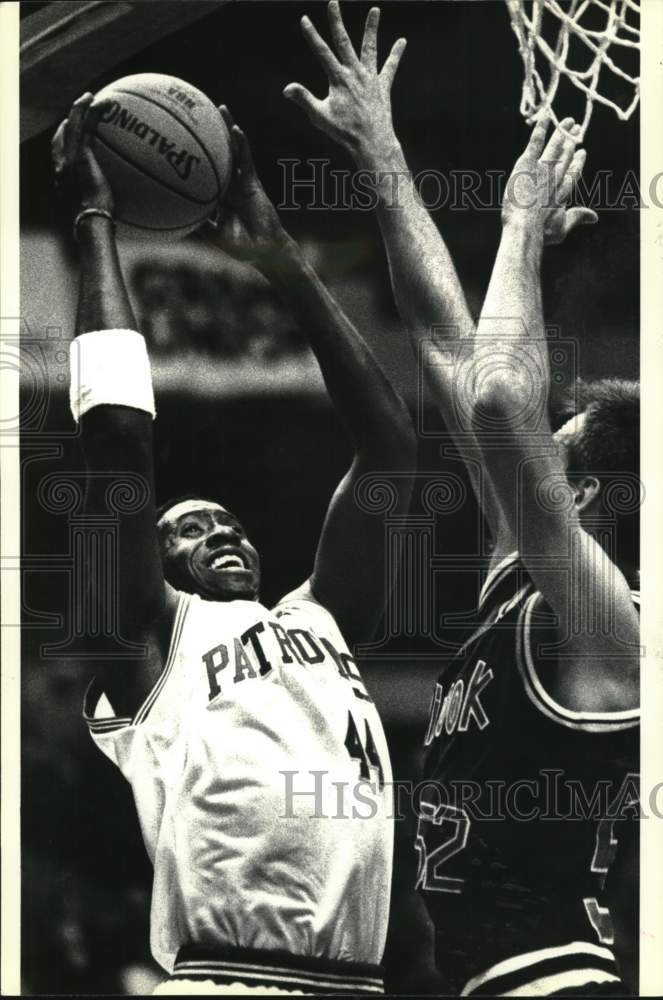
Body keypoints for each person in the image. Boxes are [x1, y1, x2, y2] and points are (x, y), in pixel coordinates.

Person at [287, 3, 639, 995]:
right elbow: (449, 345)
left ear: (588, 486)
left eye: (554, 439)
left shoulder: (611, 625)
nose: (538, 433)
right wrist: (380, 154)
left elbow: (494, 396)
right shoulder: (521, 583)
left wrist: (521, 225)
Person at [52, 92, 417, 995]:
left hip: (358, 983)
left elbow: (392, 451)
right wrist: (94, 215)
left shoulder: (319, 617)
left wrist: (282, 262)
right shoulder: (142, 637)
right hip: (226, 976)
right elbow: (119, 440)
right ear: (151, 559)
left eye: (229, 524)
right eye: (185, 528)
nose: (217, 531)